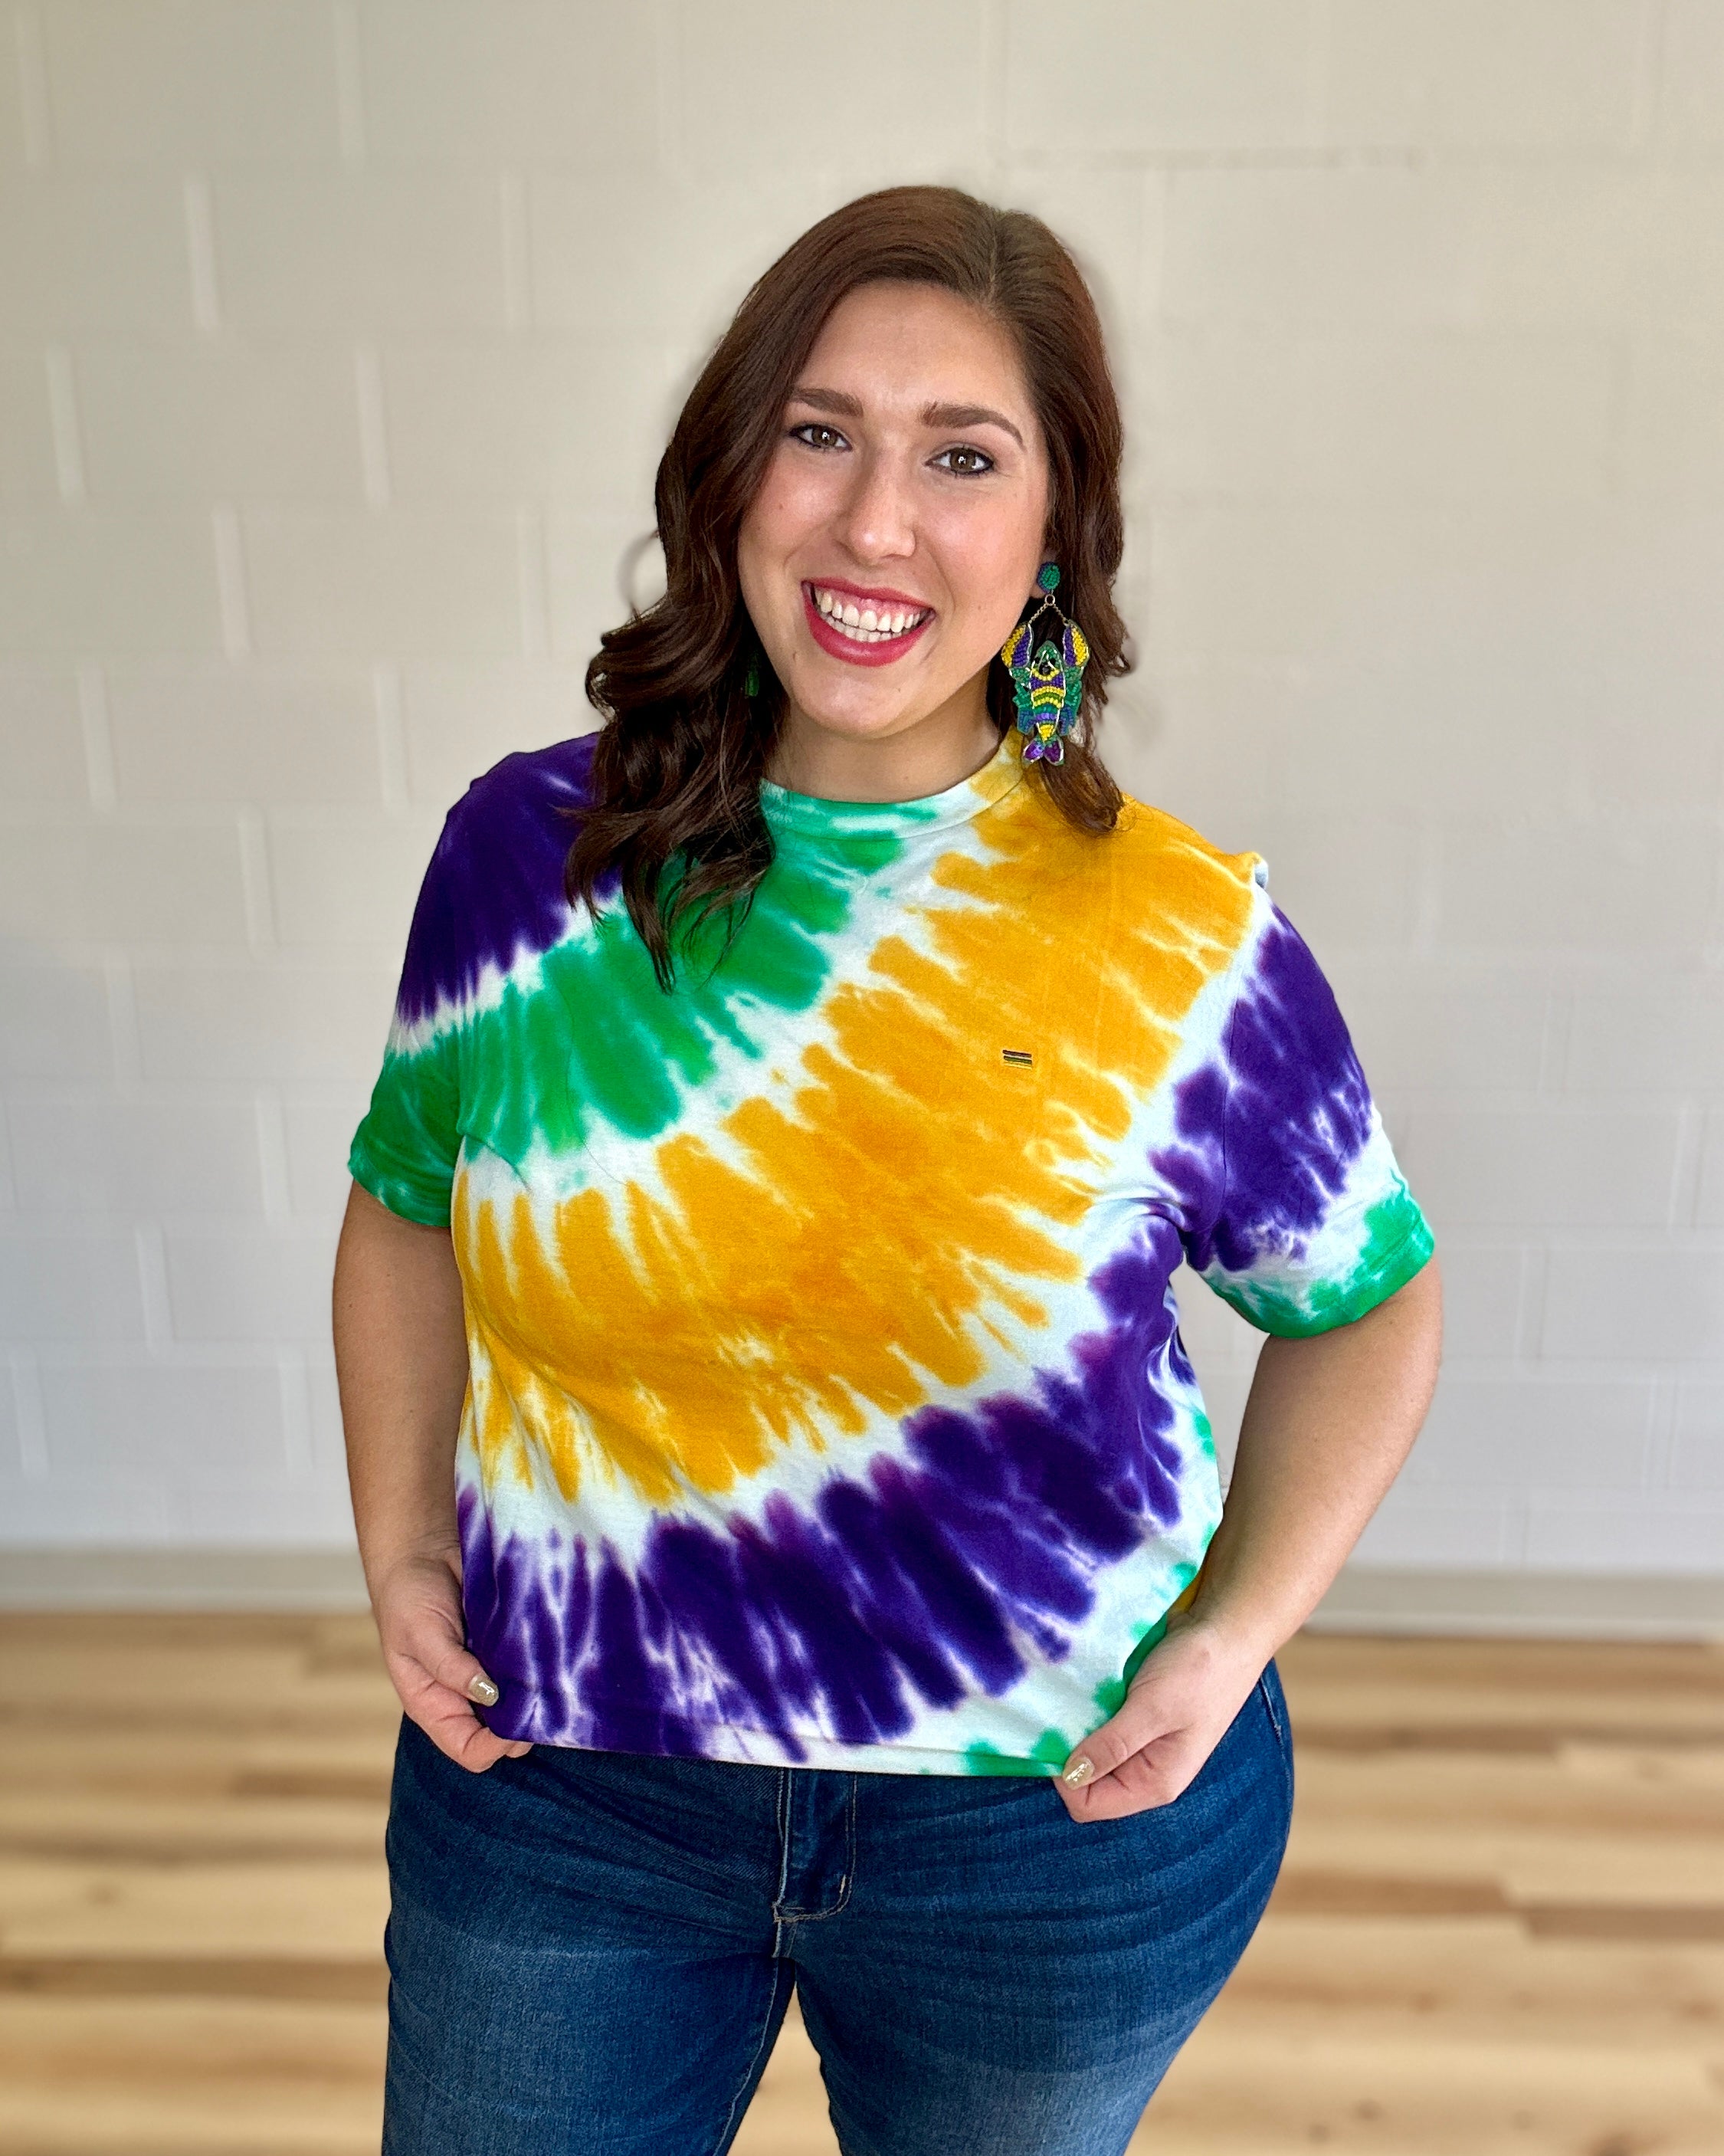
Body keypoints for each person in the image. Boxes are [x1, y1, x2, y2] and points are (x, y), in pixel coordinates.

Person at [333, 184, 1443, 2156]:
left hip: (1046, 1836)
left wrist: (1235, 1634)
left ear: (1054, 532)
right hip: (566, 1786)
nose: (874, 523)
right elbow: (407, 1199)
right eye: (820, 432)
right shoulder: (533, 862)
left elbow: (1366, 1304)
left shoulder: (1183, 937)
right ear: (732, 475)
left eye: (963, 457)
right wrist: (405, 1541)